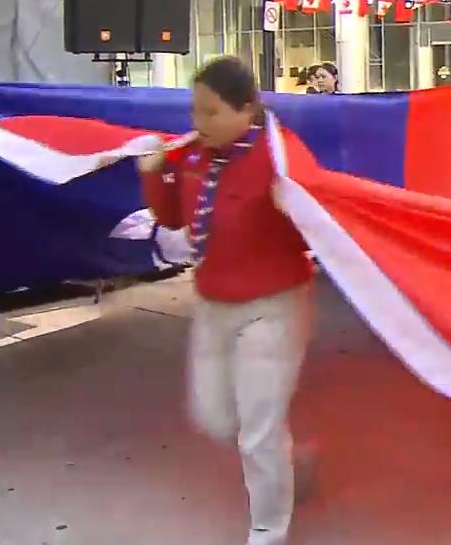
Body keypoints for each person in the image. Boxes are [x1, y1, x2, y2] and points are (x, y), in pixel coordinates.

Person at [139, 55, 317, 545]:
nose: (199, 121)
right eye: (194, 110)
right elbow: (173, 219)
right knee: (214, 416)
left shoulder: (280, 156)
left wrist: (297, 208)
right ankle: (286, 465)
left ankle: (268, 529)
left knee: (258, 428)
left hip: (273, 308)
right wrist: (154, 175)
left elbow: (319, 225)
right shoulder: (194, 157)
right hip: (212, 306)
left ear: (247, 110)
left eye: (211, 111)